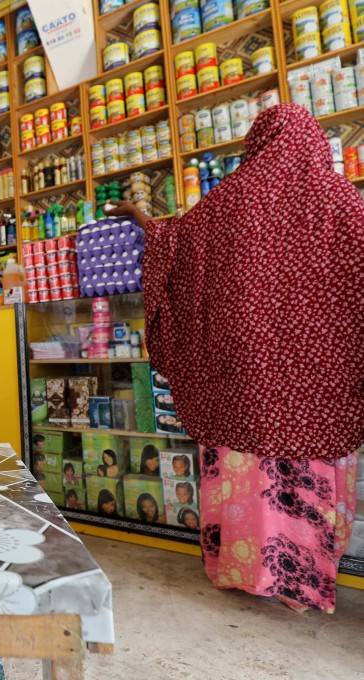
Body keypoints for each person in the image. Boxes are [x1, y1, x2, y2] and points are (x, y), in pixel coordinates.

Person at [108, 103, 363, 613]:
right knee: (306, 472)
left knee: (243, 472)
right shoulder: (342, 200)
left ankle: (241, 569)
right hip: (317, 382)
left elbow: (173, 243)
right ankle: (304, 584)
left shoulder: (228, 200)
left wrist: (142, 220)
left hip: (241, 380)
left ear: (258, 143)